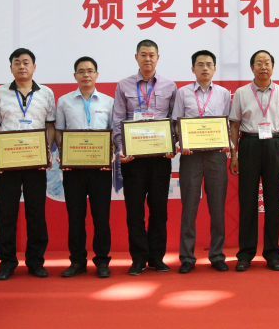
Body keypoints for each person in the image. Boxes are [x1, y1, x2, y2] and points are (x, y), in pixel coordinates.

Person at [0, 48, 56, 280]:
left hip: (36, 164)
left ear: (34, 67)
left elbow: (50, 126)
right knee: (7, 214)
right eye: (17, 63)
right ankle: (7, 263)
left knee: (36, 214)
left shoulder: (46, 93)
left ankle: (36, 261)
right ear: (11, 68)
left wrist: (46, 151)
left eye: (26, 62)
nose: (22, 66)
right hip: (9, 164)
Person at [112, 39, 177, 276]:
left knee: (159, 210)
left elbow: (174, 121)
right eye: (143, 54)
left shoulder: (170, 86)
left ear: (157, 57)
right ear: (136, 57)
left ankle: (157, 258)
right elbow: (118, 119)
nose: (147, 59)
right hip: (133, 159)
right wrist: (121, 148)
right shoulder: (123, 85)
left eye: (151, 55)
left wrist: (173, 144)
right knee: (135, 211)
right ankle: (138, 259)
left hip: (160, 157)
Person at [229, 50, 279, 271]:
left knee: (273, 201)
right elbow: (234, 124)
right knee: (247, 201)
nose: (263, 67)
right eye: (259, 63)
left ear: (273, 67)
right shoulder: (241, 92)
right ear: (252, 68)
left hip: (274, 144)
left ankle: (272, 253)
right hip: (249, 143)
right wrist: (234, 154)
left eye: (267, 63)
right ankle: (245, 254)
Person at [172, 50, 231, 274]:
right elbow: (176, 122)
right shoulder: (183, 92)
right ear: (193, 69)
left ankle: (217, 255)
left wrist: (226, 142)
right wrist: (181, 142)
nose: (204, 68)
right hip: (191, 157)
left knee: (217, 207)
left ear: (214, 68)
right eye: (200, 64)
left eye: (208, 64)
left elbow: (227, 123)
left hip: (216, 155)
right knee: (189, 208)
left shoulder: (223, 93)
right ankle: (187, 257)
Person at [55, 57, 115, 278]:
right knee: (75, 217)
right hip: (74, 169)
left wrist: (109, 152)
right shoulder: (64, 101)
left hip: (100, 169)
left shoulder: (109, 102)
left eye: (90, 71)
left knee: (101, 217)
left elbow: (114, 132)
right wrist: (65, 155)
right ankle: (77, 261)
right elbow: (59, 132)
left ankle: (102, 261)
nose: (86, 75)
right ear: (75, 76)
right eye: (81, 71)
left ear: (97, 75)